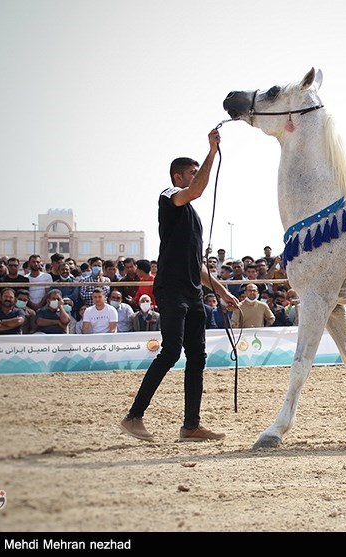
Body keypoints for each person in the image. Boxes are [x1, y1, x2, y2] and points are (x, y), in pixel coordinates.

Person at [121, 129, 240, 444]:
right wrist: (212, 152)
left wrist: (222, 291)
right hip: (172, 289)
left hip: (193, 293)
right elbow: (197, 190)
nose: (195, 176)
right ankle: (134, 417)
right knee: (171, 351)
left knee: (197, 357)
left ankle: (191, 426)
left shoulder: (192, 216)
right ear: (178, 175)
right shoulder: (168, 195)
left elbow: (198, 264)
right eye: (191, 172)